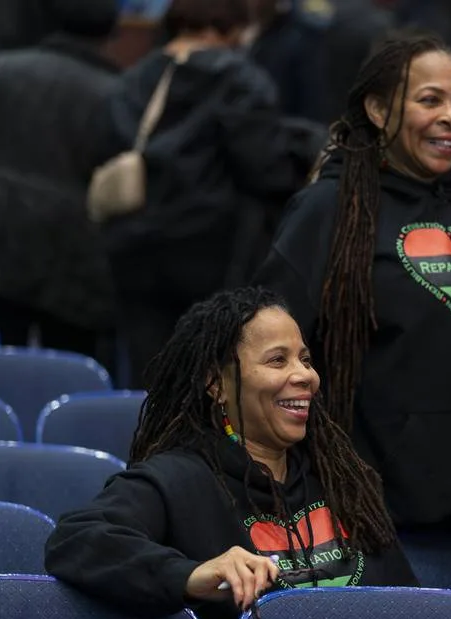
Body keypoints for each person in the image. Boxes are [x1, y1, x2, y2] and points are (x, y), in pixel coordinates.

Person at [254, 34, 451, 529]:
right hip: (376, 513)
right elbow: (272, 357)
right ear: (380, 110)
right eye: (431, 100)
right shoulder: (328, 212)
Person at [45, 287, 417, 619]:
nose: (305, 375)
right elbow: (75, 539)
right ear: (217, 384)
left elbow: (409, 613)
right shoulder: (179, 481)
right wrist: (190, 575)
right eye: (278, 360)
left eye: (305, 359)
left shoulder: (343, 480)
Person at [102, 0, 317, 385]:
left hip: (133, 248)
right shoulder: (238, 77)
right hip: (211, 254)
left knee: (147, 377)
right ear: (232, 26)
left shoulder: (134, 78)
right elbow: (265, 167)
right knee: (211, 377)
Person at [0, 0, 120, 359]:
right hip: (76, 258)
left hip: (4, 241)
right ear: (112, 31)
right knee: (72, 363)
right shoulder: (115, 93)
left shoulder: (4, 70)